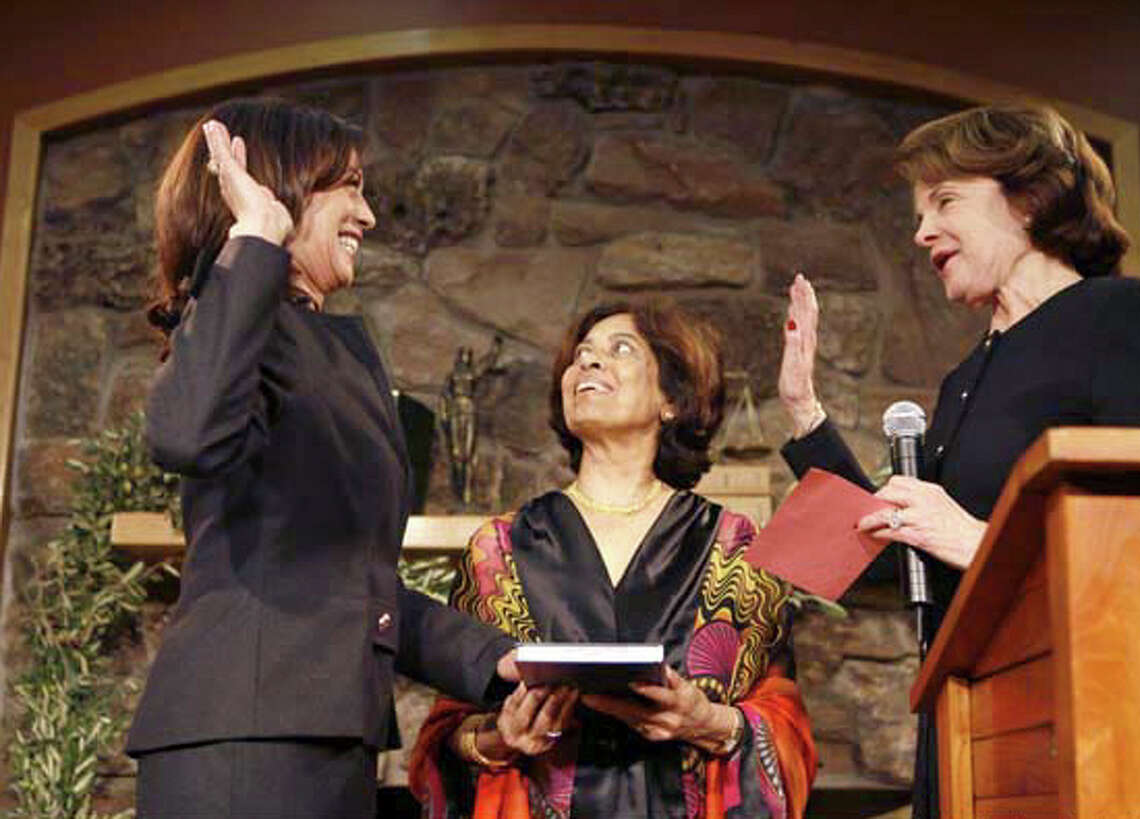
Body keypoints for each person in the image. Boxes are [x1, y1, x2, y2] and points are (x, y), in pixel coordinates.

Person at [777, 102, 1140, 818]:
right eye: (919, 211)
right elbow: (888, 558)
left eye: (945, 201)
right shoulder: (965, 377)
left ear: (1031, 199)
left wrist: (977, 541)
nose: (920, 232)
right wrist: (803, 412)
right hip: (971, 725)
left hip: (1089, 720)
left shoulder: (1120, 317)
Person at [127, 98, 515, 818]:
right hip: (243, 741)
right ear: (282, 186)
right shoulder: (234, 319)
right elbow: (184, 433)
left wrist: (496, 658)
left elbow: (355, 585)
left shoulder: (333, 351)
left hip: (327, 739)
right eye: (351, 188)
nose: (368, 217)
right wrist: (257, 237)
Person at [409, 302, 818, 818]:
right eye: (581, 356)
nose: (589, 364)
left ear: (672, 398)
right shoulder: (498, 550)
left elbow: (784, 722)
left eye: (618, 350)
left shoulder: (736, 548)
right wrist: (499, 738)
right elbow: (446, 735)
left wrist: (708, 723)